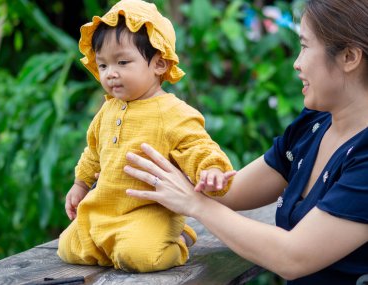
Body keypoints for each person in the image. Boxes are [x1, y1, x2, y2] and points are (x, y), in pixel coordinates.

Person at [124, 0, 368, 284]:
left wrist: (196, 206)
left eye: (304, 46)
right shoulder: (313, 125)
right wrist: (157, 136)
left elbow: (294, 257)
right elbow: (231, 190)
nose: (296, 64)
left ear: (349, 57)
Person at [57, 0, 234, 273]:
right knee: (67, 247)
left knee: (139, 256)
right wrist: (80, 185)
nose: (111, 73)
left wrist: (210, 169)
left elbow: (198, 145)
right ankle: (113, 245)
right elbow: (93, 152)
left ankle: (178, 239)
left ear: (159, 64)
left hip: (149, 211)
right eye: (103, 65)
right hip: (105, 208)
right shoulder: (108, 109)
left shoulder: (172, 111)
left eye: (123, 62)